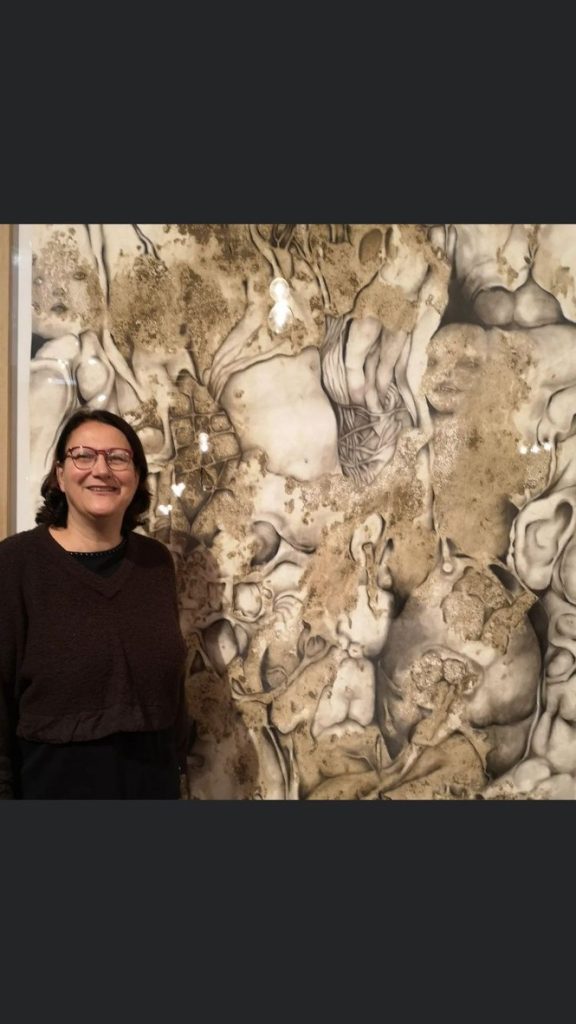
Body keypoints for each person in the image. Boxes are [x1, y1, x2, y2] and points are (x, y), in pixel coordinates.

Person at [0, 408, 189, 799]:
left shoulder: (156, 562)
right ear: (60, 475)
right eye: (83, 456)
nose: (101, 470)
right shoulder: (15, 563)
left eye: (117, 458)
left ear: (136, 477)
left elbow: (172, 694)